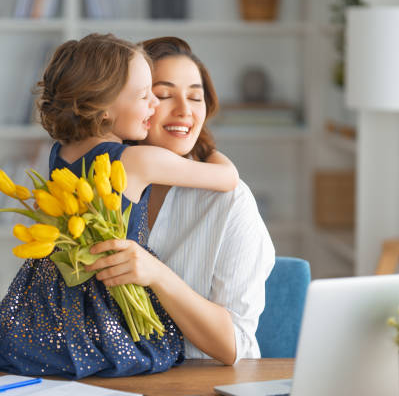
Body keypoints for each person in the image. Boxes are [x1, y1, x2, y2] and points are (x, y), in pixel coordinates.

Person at [0, 33, 239, 378]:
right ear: (104, 107)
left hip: (56, 304)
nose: (156, 107)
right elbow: (228, 179)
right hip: (110, 306)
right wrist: (205, 145)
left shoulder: (60, 152)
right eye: (147, 96)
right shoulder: (140, 161)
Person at [85, 37, 275, 365]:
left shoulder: (229, 202)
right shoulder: (99, 184)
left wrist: (157, 274)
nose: (185, 111)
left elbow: (236, 346)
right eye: (162, 95)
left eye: (195, 97)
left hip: (205, 379)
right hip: (117, 375)